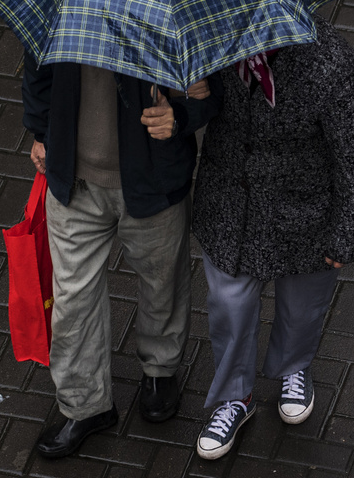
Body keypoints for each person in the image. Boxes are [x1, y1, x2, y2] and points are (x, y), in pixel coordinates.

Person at [190, 18, 354, 460]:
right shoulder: (209, 39)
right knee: (229, 308)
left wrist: (344, 236)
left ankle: (294, 369)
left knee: (302, 306)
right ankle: (235, 397)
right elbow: (195, 110)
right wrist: (186, 98)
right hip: (231, 202)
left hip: (305, 210)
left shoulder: (331, 62)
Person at [21, 53, 223, 458]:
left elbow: (213, 95)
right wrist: (41, 131)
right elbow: (37, 66)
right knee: (72, 301)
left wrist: (181, 115)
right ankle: (85, 405)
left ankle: (160, 372)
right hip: (72, 181)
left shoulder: (174, 3)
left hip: (154, 181)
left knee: (162, 282)